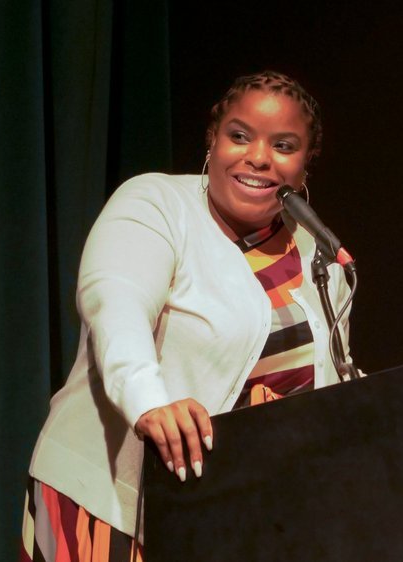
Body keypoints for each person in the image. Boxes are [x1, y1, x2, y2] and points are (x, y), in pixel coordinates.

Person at [19, 71, 353, 561]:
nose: (258, 157)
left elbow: (324, 380)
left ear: (305, 166)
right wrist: (150, 401)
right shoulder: (157, 205)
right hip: (107, 503)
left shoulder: (319, 256)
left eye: (284, 145)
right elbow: (116, 304)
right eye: (239, 136)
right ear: (212, 141)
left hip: (228, 515)